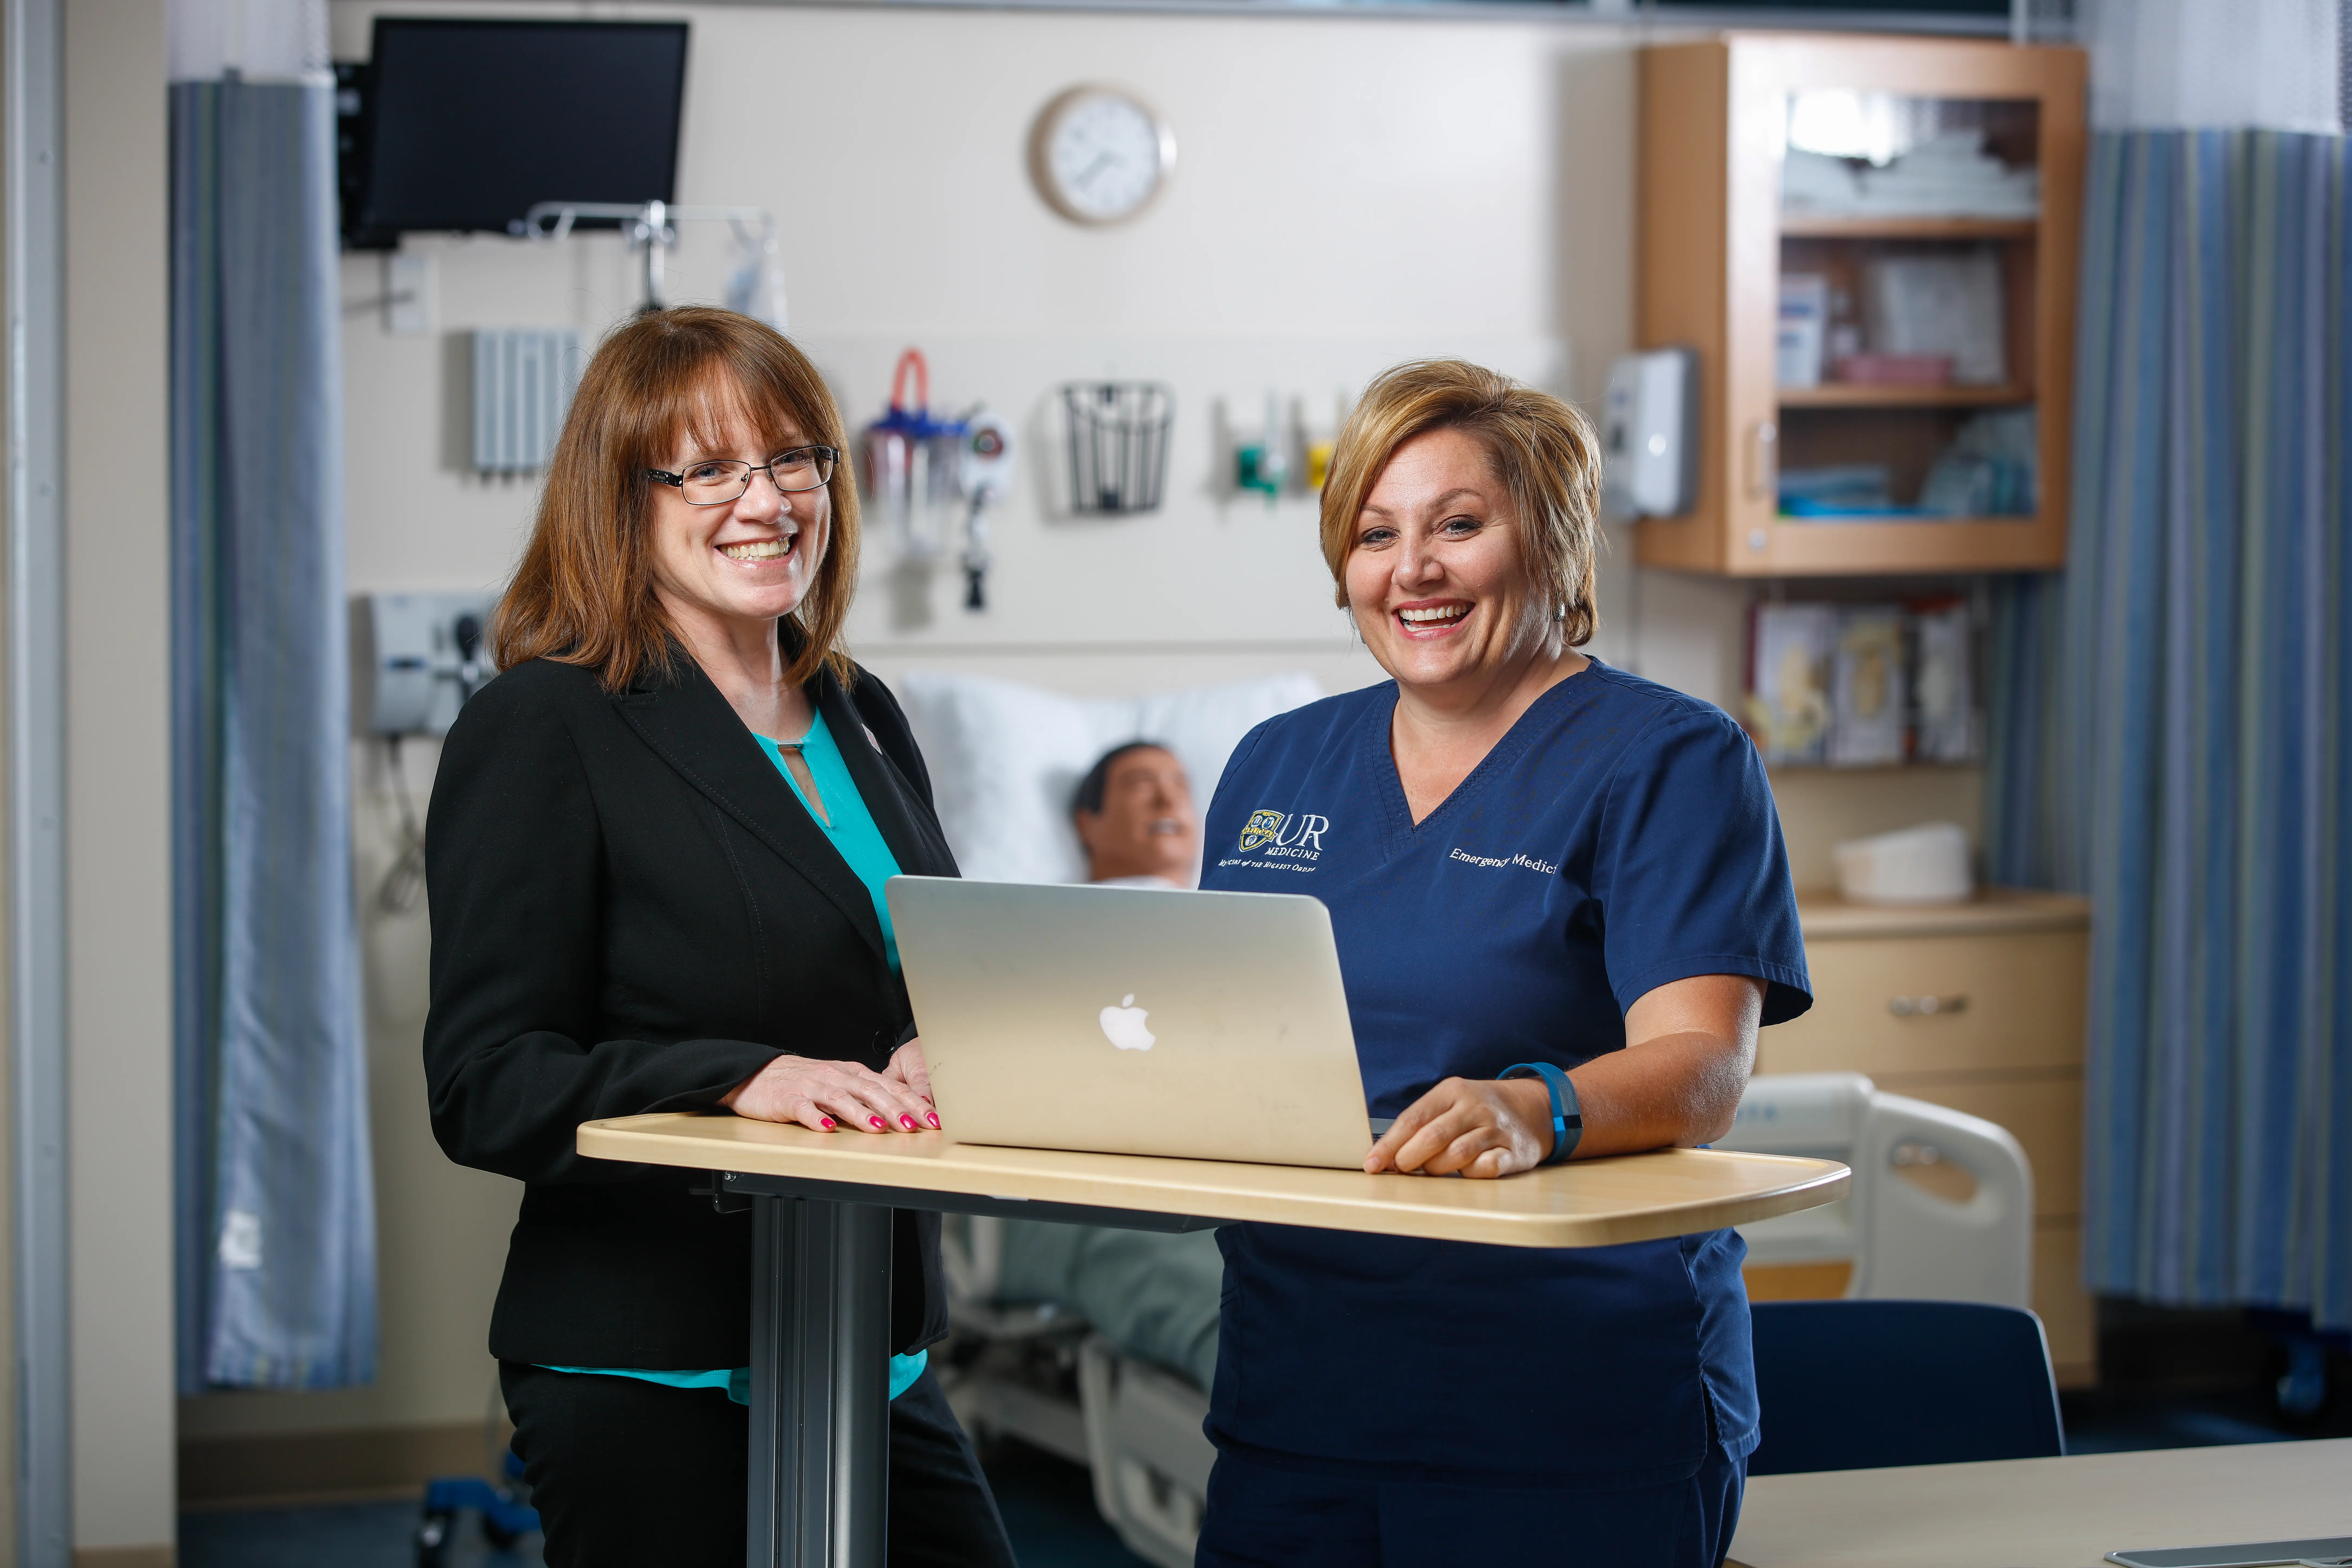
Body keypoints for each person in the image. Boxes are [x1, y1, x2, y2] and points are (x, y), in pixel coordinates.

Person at [1191, 360, 1811, 1566]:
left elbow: (1701, 1066)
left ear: (1555, 545)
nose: (1410, 568)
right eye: (1374, 533)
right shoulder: (1274, 766)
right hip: (1300, 1382)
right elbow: (1218, 1045)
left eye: (1457, 525)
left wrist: (1539, 1108)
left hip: (1567, 1394)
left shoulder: (1668, 760)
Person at [423, 307, 1015, 1568]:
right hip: (655, 1355)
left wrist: (932, 1042)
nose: (765, 498)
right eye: (708, 468)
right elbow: (486, 1083)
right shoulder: (548, 723)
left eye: (794, 458)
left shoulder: (859, 709)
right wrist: (737, 1075)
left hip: (866, 1339)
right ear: (622, 498)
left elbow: (918, 966)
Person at [1072, 740, 1199, 888]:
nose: (1168, 799)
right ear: (1086, 825)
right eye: (1141, 784)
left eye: (1181, 786)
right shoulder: (1050, 908)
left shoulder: (1224, 907)